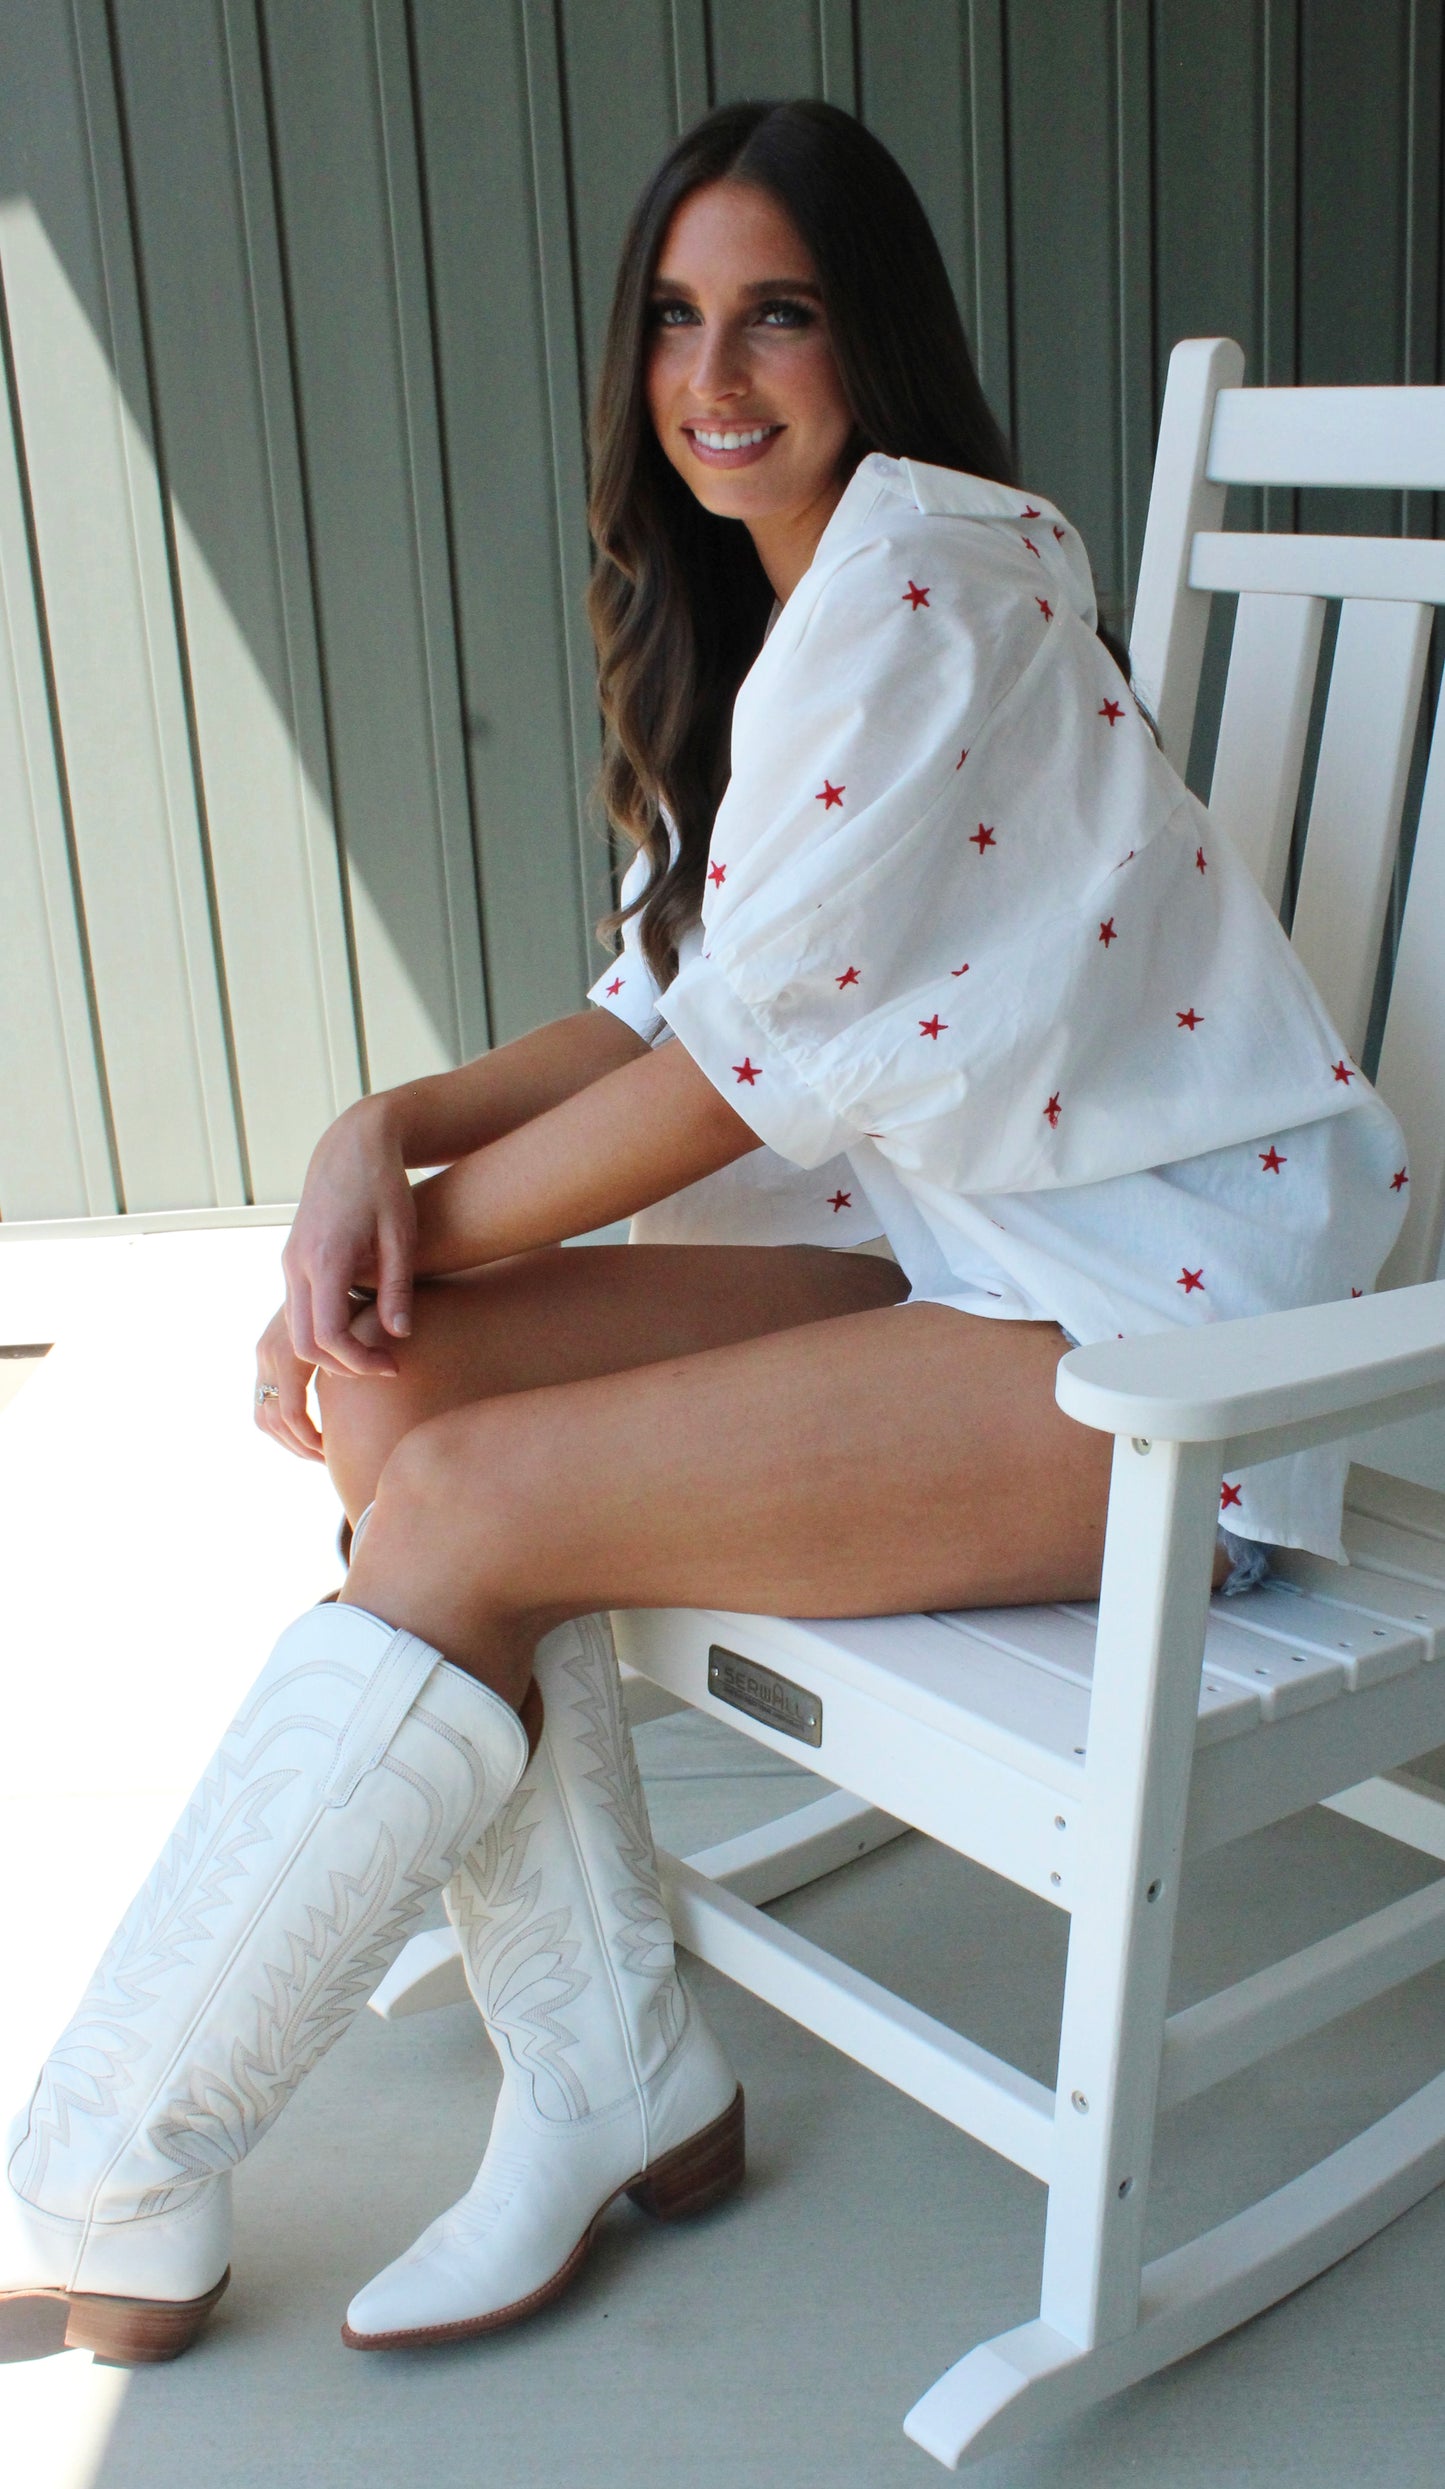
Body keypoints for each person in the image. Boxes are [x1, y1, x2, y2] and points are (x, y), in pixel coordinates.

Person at [3, 99, 1407, 2365]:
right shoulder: (794, 605)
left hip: (1169, 1363)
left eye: (778, 311)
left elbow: (727, 1087)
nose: (714, 370)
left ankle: (109, 2156)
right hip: (957, 1257)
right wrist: (389, 1137)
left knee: (445, 1479)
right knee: (403, 1386)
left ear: (874, 340)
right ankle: (614, 2068)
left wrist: (408, 1228)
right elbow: (671, 997)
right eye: (674, 314)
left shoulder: (932, 583)